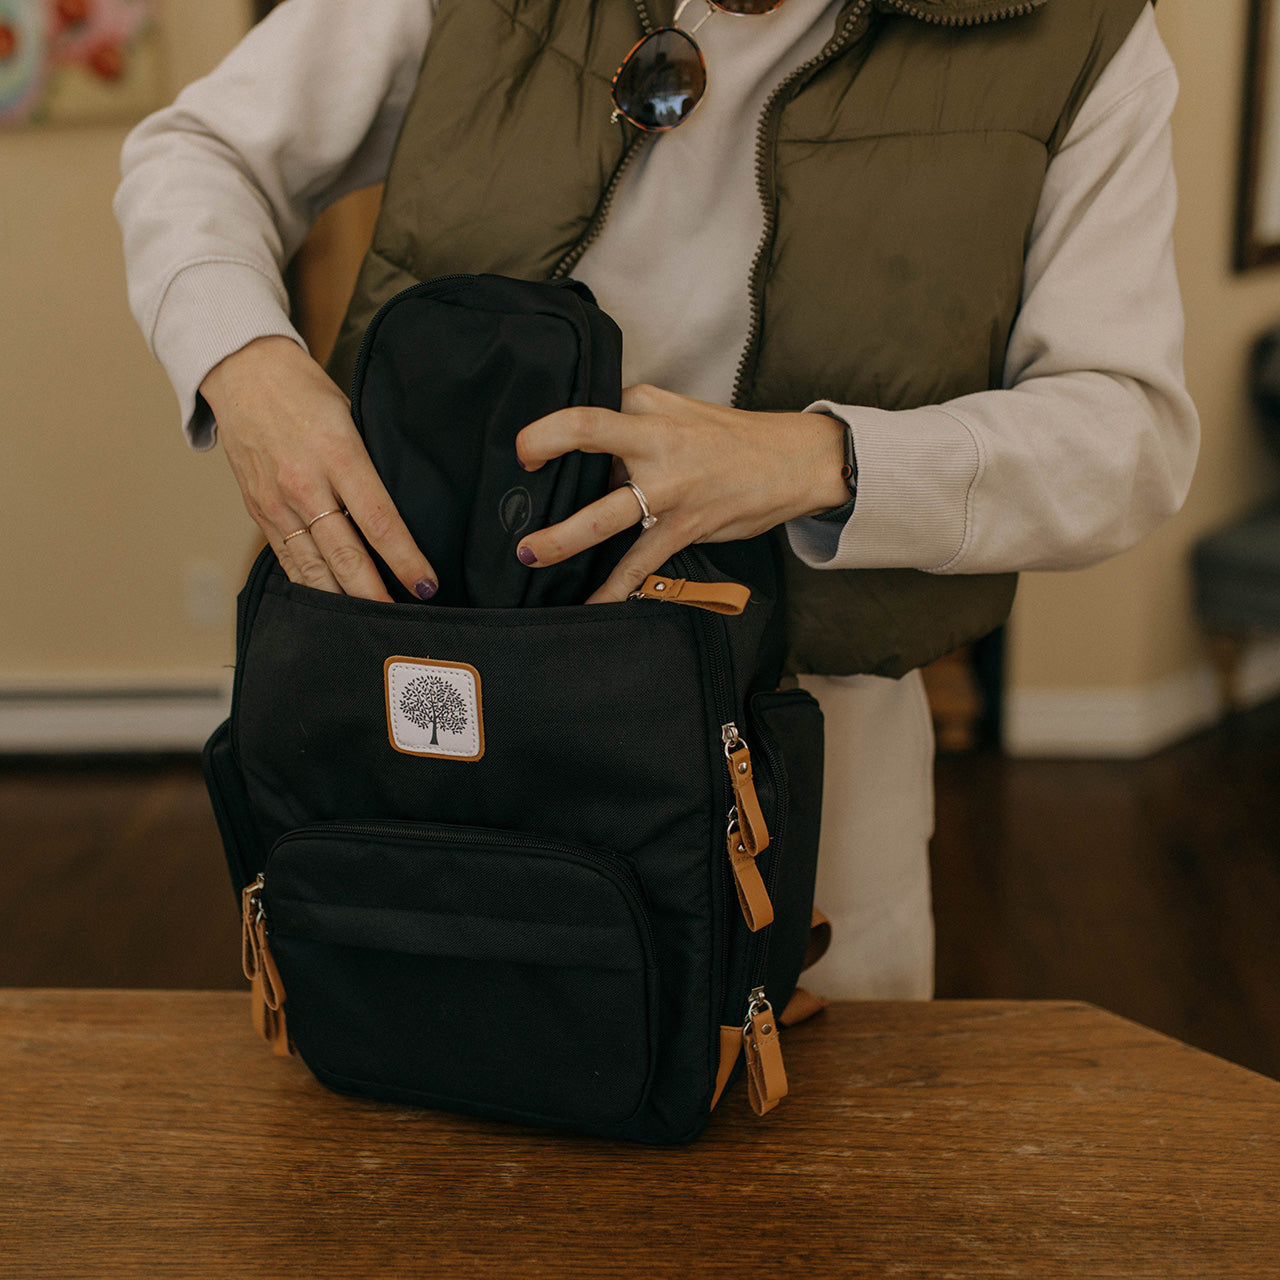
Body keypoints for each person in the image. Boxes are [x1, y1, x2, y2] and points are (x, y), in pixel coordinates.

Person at [115, 0, 1199, 1001]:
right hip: (441, 692)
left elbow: (1127, 433)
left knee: (812, 1186)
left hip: (797, 744)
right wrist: (246, 363)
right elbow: (197, 151)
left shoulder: (1081, 34)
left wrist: (821, 458)